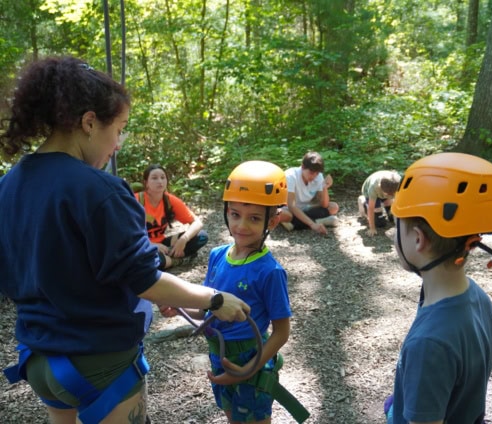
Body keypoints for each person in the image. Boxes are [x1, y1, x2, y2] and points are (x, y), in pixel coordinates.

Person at [0, 56, 249, 424]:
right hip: (98, 364)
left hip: (39, 360)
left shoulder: (9, 186)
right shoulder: (99, 190)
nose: (117, 144)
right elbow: (144, 279)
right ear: (88, 122)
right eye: (118, 130)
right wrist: (214, 299)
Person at [160, 160, 306, 424]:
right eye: (235, 214)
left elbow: (282, 332)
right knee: (232, 415)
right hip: (219, 355)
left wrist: (249, 368)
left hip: (250, 359)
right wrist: (179, 307)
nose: (241, 225)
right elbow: (209, 308)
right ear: (226, 212)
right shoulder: (217, 256)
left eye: (254, 218)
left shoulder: (269, 271)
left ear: (272, 221)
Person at [385, 152, 492, 424]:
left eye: (397, 228)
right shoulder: (477, 298)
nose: (393, 237)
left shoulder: (428, 344)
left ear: (418, 240)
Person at [136, 164, 209, 270]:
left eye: (163, 177)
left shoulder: (169, 200)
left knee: (202, 237)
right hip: (141, 245)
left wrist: (183, 240)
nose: (160, 181)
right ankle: (175, 260)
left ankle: (167, 259)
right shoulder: (136, 200)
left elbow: (197, 223)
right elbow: (124, 232)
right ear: (146, 183)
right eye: (154, 178)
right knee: (144, 260)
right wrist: (150, 245)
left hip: (163, 244)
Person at [279, 151, 340, 235]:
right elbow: (291, 206)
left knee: (333, 207)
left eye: (317, 173)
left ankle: (294, 223)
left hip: (305, 208)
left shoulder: (318, 177)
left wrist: (325, 188)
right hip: (289, 209)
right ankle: (318, 221)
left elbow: (324, 205)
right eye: (311, 172)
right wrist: (312, 225)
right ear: (303, 167)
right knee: (281, 214)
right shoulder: (290, 176)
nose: (314, 176)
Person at [358, 170, 401, 236]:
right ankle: (362, 200)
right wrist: (372, 228)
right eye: (388, 195)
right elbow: (371, 208)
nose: (390, 196)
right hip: (369, 193)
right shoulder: (373, 187)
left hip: (386, 190)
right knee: (380, 223)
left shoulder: (398, 182)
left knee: (392, 217)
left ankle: (386, 202)